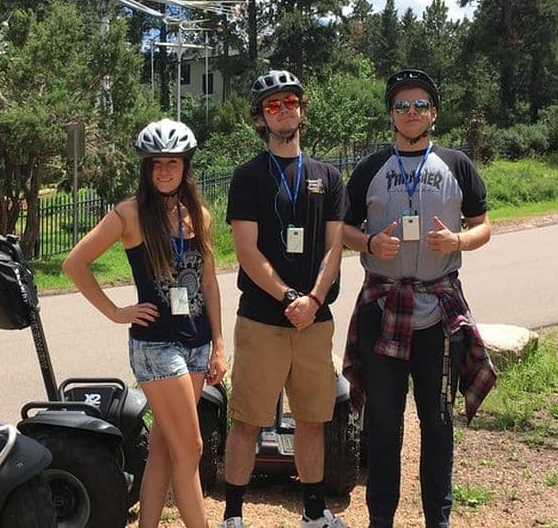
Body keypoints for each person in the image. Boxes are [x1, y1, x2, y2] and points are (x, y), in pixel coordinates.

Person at [342, 69, 497, 527]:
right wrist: (369, 244)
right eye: (402, 105)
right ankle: (381, 520)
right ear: (391, 113)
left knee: (438, 423)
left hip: (438, 314)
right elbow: (344, 230)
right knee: (384, 424)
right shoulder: (370, 167)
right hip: (383, 308)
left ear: (434, 112)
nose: (411, 113)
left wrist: (459, 241)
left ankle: (438, 519)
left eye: (420, 105)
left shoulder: (456, 163)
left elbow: (484, 224)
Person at [62, 118, 226, 528]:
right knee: (191, 448)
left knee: (165, 449)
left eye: (173, 162)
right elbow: (74, 263)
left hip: (195, 342)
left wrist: (219, 343)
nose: (165, 171)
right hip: (156, 346)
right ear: (146, 167)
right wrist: (116, 312)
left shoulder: (199, 216)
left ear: (187, 165)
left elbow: (208, 282)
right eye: (156, 163)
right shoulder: (128, 214)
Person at [221, 70, 347, 528]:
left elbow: (336, 247)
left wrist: (312, 300)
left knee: (312, 419)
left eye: (290, 101)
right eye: (273, 105)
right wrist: (289, 296)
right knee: (248, 420)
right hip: (261, 319)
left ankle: (313, 512)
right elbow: (246, 251)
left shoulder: (328, 177)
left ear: (302, 108)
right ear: (260, 117)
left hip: (314, 322)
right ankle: (233, 514)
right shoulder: (248, 177)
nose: (284, 110)